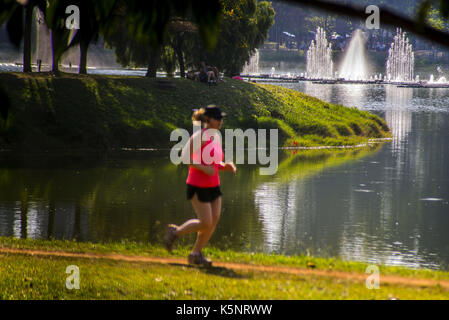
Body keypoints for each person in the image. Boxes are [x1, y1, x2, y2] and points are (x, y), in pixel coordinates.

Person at [164, 105, 236, 267]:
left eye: (221, 118)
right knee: (205, 222)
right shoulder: (200, 136)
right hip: (197, 185)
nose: (221, 121)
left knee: (214, 219)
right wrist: (204, 168)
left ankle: (196, 254)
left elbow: (215, 162)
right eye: (218, 118)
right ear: (208, 120)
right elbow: (184, 157)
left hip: (213, 185)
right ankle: (175, 232)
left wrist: (226, 166)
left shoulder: (215, 137)